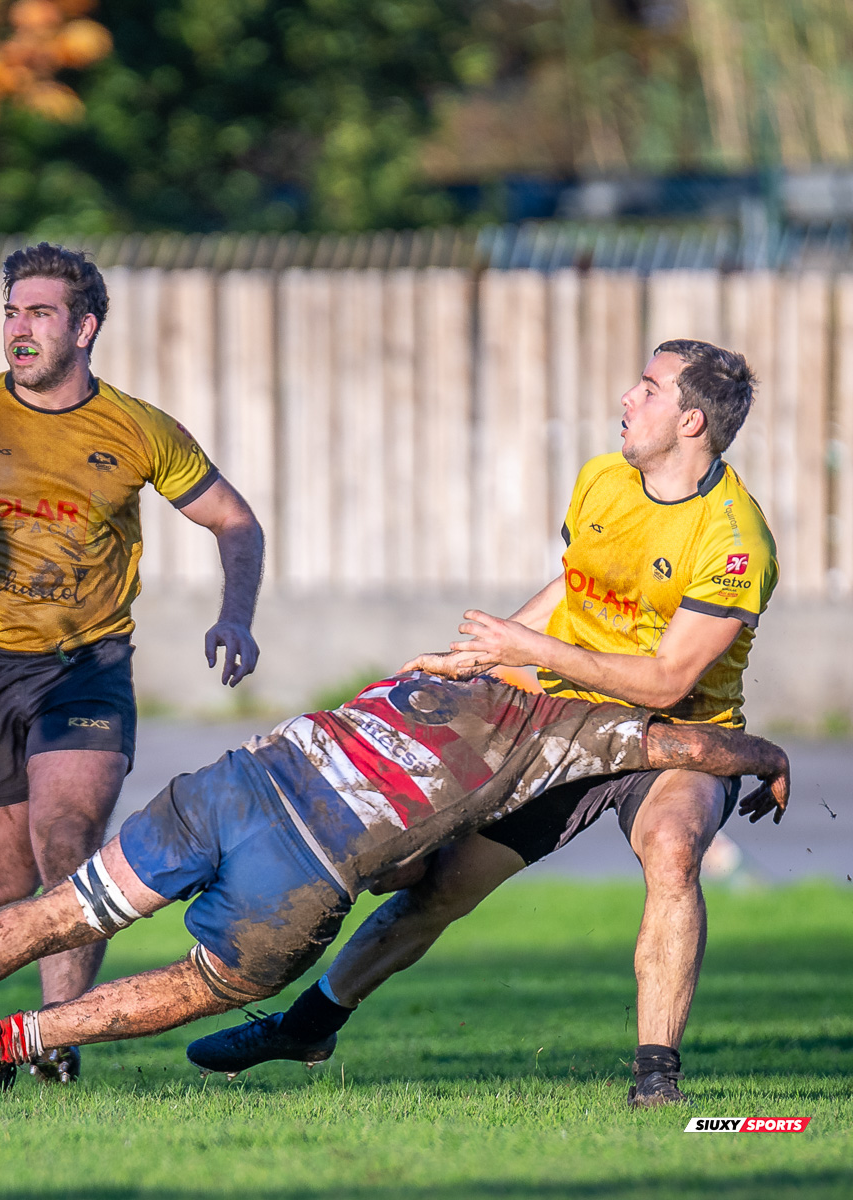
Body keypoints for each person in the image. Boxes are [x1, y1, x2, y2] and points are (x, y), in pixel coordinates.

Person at [198, 339, 778, 1108]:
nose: (629, 398)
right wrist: (480, 654)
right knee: (440, 888)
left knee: (672, 852)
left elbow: (670, 681)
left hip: (678, 738)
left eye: (649, 386)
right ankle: (307, 1026)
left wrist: (529, 649)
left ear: (692, 419)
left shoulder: (735, 541)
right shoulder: (605, 480)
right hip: (563, 723)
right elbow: (572, 590)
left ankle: (655, 1079)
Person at [0, 671, 790, 1090]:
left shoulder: (456, 660)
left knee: (59, 912)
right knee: (197, 986)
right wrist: (765, 754)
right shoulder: (574, 726)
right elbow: (680, 741)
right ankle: (16, 1038)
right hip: (305, 870)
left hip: (239, 782)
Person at [0, 243, 265, 1081]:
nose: (18, 330)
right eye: (10, 312)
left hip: (87, 664)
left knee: (68, 844)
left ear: (85, 326)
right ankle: (39, 1011)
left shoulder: (137, 428)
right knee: (5, 878)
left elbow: (235, 521)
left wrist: (235, 615)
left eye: (38, 314)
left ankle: (54, 1041)